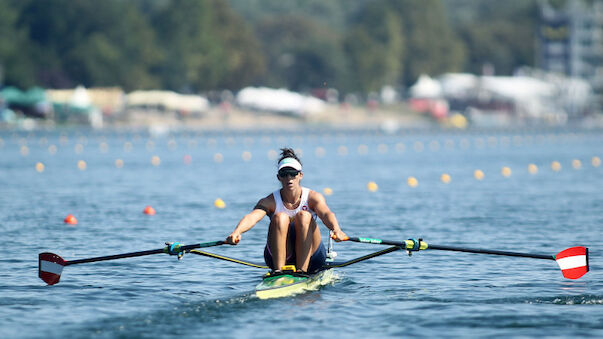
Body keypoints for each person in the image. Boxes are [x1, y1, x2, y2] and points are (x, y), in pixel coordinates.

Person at [225, 147, 348, 274]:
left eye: (293, 173)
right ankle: (278, 272)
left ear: (300, 175)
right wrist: (236, 232)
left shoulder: (313, 197)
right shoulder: (269, 201)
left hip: (312, 257)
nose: (289, 178)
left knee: (304, 216)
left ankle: (302, 271)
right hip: (280, 256)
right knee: (280, 217)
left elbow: (326, 214)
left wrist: (336, 229)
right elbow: (252, 217)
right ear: (279, 177)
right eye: (284, 174)